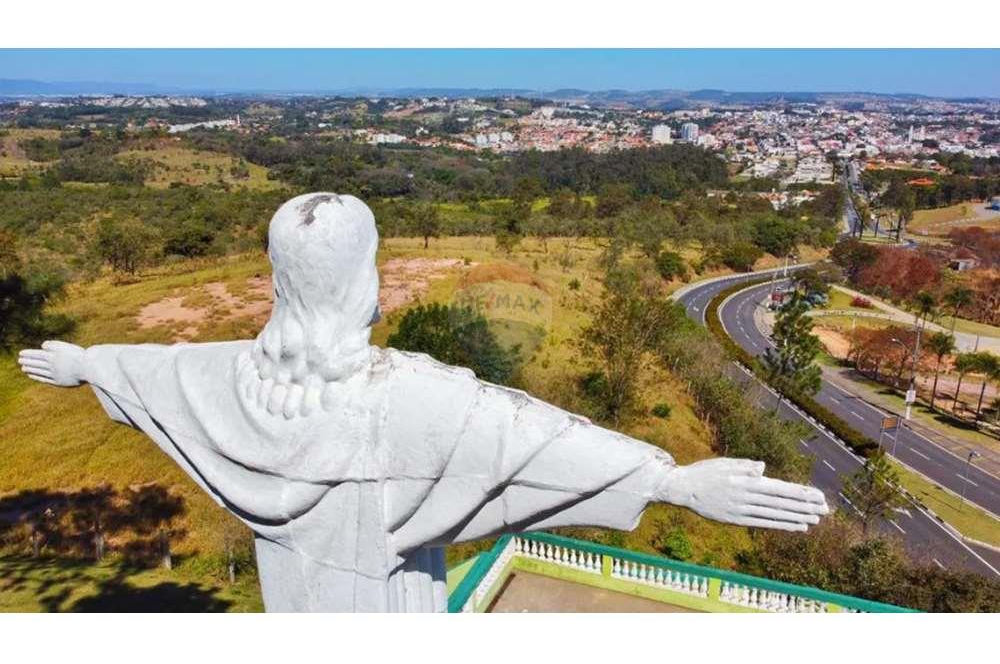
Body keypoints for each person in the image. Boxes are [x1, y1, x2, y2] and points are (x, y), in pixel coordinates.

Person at [18, 192, 828, 612]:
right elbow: (533, 441)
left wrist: (87, 360)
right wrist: (671, 480)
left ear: (278, 280)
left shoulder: (229, 381)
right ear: (364, 282)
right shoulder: (406, 403)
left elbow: (158, 371)